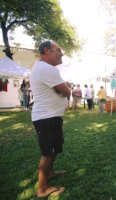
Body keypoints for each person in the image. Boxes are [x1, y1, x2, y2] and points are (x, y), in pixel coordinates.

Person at [30, 41, 71, 198]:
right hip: (47, 117)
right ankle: (42, 189)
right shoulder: (46, 69)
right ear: (46, 51)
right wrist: (66, 88)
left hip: (49, 116)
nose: (61, 53)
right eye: (58, 50)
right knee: (48, 153)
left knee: (53, 149)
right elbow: (66, 92)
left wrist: (63, 89)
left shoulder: (42, 68)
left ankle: (51, 173)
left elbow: (61, 90)